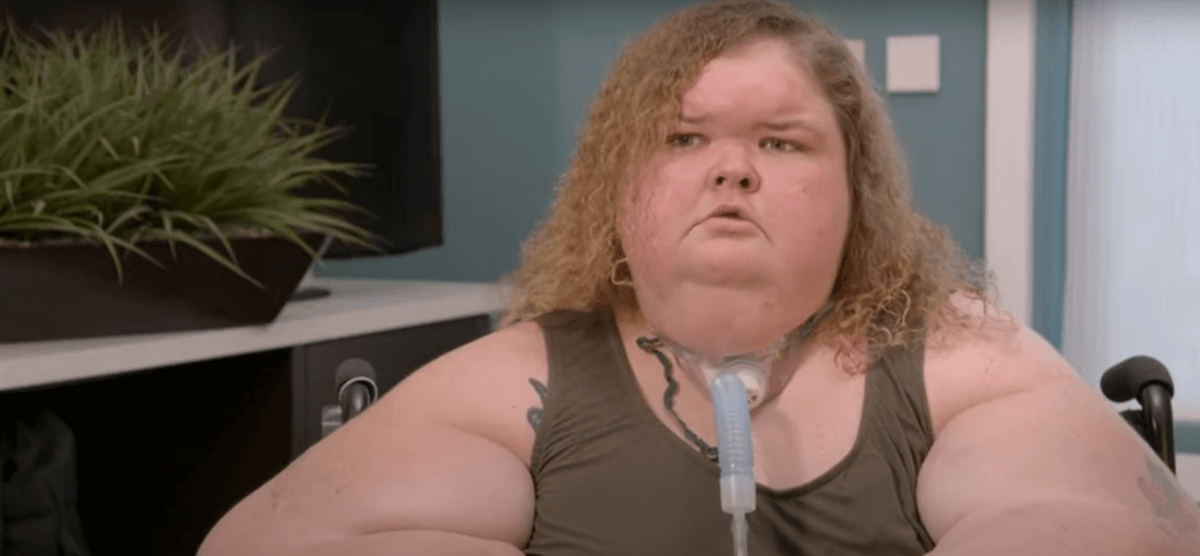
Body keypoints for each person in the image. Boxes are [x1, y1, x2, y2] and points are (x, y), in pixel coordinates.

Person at [198, 1, 1200, 555]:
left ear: (857, 194)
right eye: (683, 138)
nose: (732, 169)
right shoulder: (519, 382)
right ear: (616, 186)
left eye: (782, 141)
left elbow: (1102, 530)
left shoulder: (957, 357)